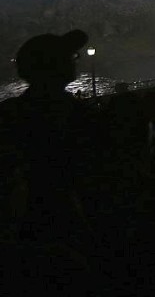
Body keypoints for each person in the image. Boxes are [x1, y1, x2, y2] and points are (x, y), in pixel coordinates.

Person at [0, 29, 98, 251]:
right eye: (69, 56)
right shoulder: (79, 117)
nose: (75, 61)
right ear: (53, 66)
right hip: (65, 226)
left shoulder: (9, 115)